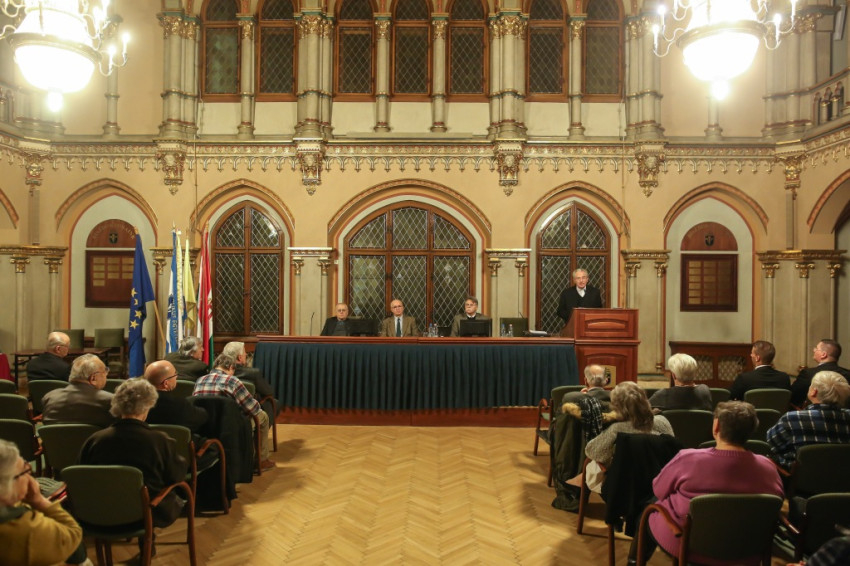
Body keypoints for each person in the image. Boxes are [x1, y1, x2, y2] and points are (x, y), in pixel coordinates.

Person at [635, 401, 784, 565]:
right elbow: (776, 502)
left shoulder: (688, 458)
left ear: (716, 426)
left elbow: (658, 489)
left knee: (651, 505)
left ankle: (633, 561)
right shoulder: (768, 468)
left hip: (688, 546)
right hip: (746, 549)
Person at [79, 379, 188, 555]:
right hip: (147, 513)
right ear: (148, 406)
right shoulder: (160, 440)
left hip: (100, 511)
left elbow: (83, 475)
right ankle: (147, 543)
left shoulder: (95, 440)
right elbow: (176, 476)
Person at [0, 439, 90, 566]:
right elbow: (76, 548)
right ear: (8, 483)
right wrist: (39, 500)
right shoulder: (26, 529)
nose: (30, 477)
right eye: (25, 471)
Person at [584, 381, 673, 493]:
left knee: (593, 465)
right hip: (662, 484)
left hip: (626, 489)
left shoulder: (617, 429)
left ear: (617, 407)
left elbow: (592, 452)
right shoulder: (662, 421)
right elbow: (671, 452)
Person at [193, 353, 274, 471]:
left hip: (204, 427)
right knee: (263, 416)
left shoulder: (200, 380)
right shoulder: (232, 381)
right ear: (231, 367)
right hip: (228, 428)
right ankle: (261, 461)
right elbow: (253, 408)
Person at [767, 370, 850, 470]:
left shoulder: (791, 419)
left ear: (813, 392)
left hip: (800, 478)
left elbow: (771, 444)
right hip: (843, 477)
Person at [41, 354, 114, 427]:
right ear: (93, 378)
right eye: (105, 371)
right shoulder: (110, 400)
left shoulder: (49, 398)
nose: (106, 375)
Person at [145, 360, 208, 433]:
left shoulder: (138, 404)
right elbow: (202, 418)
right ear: (166, 384)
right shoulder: (180, 405)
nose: (176, 376)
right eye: (175, 374)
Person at [221, 341, 280, 419]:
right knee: (275, 402)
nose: (246, 354)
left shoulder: (220, 373)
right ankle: (261, 426)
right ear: (239, 357)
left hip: (225, 412)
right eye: (244, 352)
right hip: (249, 412)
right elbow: (268, 392)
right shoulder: (253, 373)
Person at [790, 339, 850, 407]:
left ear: (823, 354)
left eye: (816, 348)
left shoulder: (808, 374)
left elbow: (793, 396)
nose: (814, 350)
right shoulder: (848, 374)